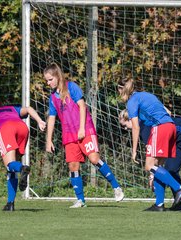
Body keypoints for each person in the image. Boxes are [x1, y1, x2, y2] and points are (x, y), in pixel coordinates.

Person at [43, 63, 124, 208]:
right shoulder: (52, 98)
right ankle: (80, 200)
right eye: (47, 81)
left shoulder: (71, 87)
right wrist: (48, 140)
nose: (48, 83)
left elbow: (82, 106)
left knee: (94, 158)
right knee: (73, 166)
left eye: (50, 79)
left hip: (84, 128)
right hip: (68, 134)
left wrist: (81, 128)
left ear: (57, 76)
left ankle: (116, 187)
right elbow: (52, 118)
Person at [117, 77, 181, 211]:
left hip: (160, 128)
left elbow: (136, 127)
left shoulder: (132, 101)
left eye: (119, 91)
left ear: (122, 89)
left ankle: (178, 189)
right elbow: (168, 112)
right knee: (158, 166)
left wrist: (134, 151)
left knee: (149, 165)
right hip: (171, 126)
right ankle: (159, 204)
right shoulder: (147, 95)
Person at [0, 97, 46, 211]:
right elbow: (28, 109)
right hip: (22, 128)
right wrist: (39, 121)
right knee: (12, 168)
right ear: (1, 105)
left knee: (10, 165)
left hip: (6, 128)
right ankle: (10, 204)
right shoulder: (11, 109)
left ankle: (23, 168)